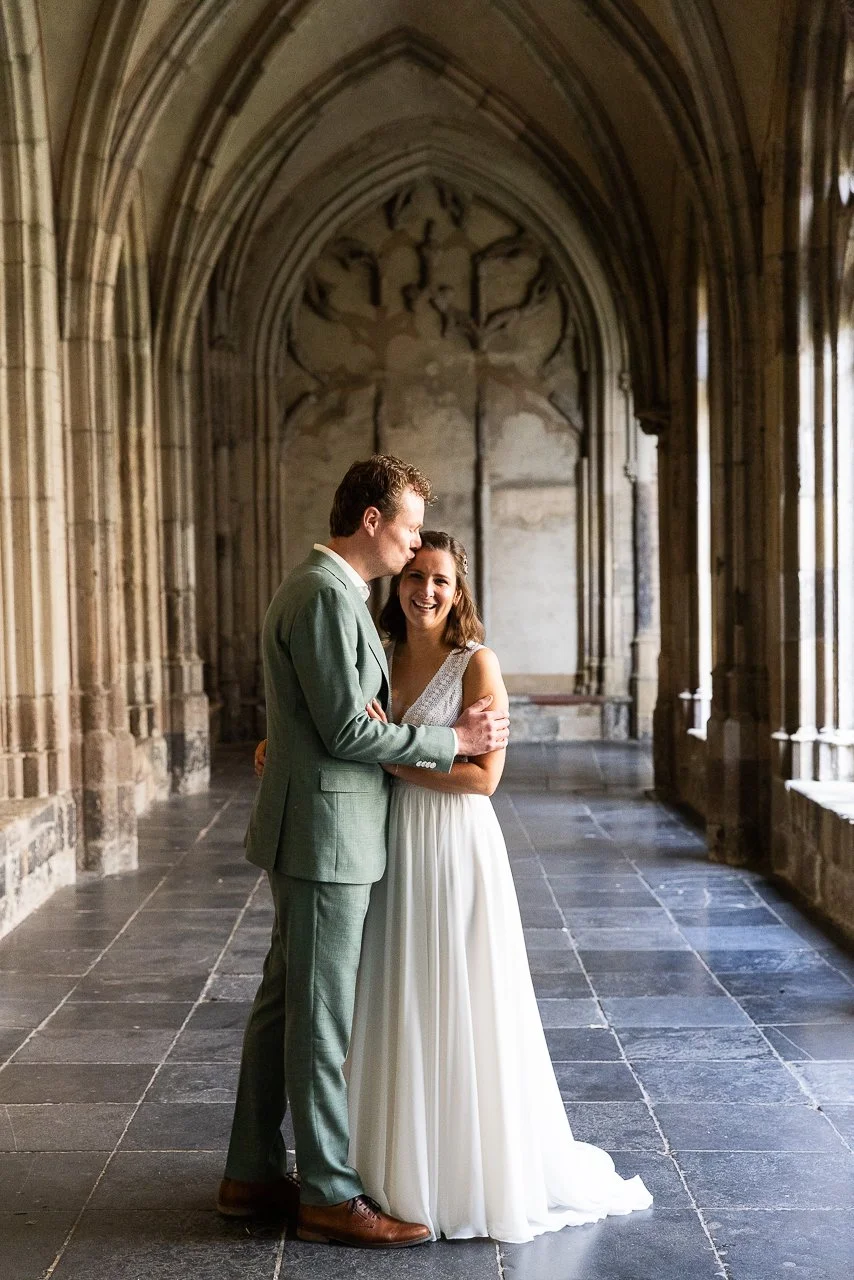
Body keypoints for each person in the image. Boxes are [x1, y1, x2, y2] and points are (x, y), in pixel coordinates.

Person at [216, 457, 510, 1249]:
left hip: (326, 826)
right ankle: (326, 1192)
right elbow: (350, 730)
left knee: (286, 1004)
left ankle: (248, 1172)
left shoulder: (338, 596)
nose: (415, 543)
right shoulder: (322, 594)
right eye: (410, 523)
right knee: (318, 1017)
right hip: (326, 835)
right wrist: (453, 739)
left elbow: (323, 719)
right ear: (373, 521)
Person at [346, 530, 653, 1243]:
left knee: (459, 992)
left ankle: (464, 1174)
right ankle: (391, 1166)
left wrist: (393, 761)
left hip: (454, 843)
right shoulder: (382, 660)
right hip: (394, 842)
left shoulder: (476, 664)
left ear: (460, 594)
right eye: (415, 576)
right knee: (398, 991)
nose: (426, 591)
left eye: (441, 581)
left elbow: (483, 779)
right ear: (398, 586)